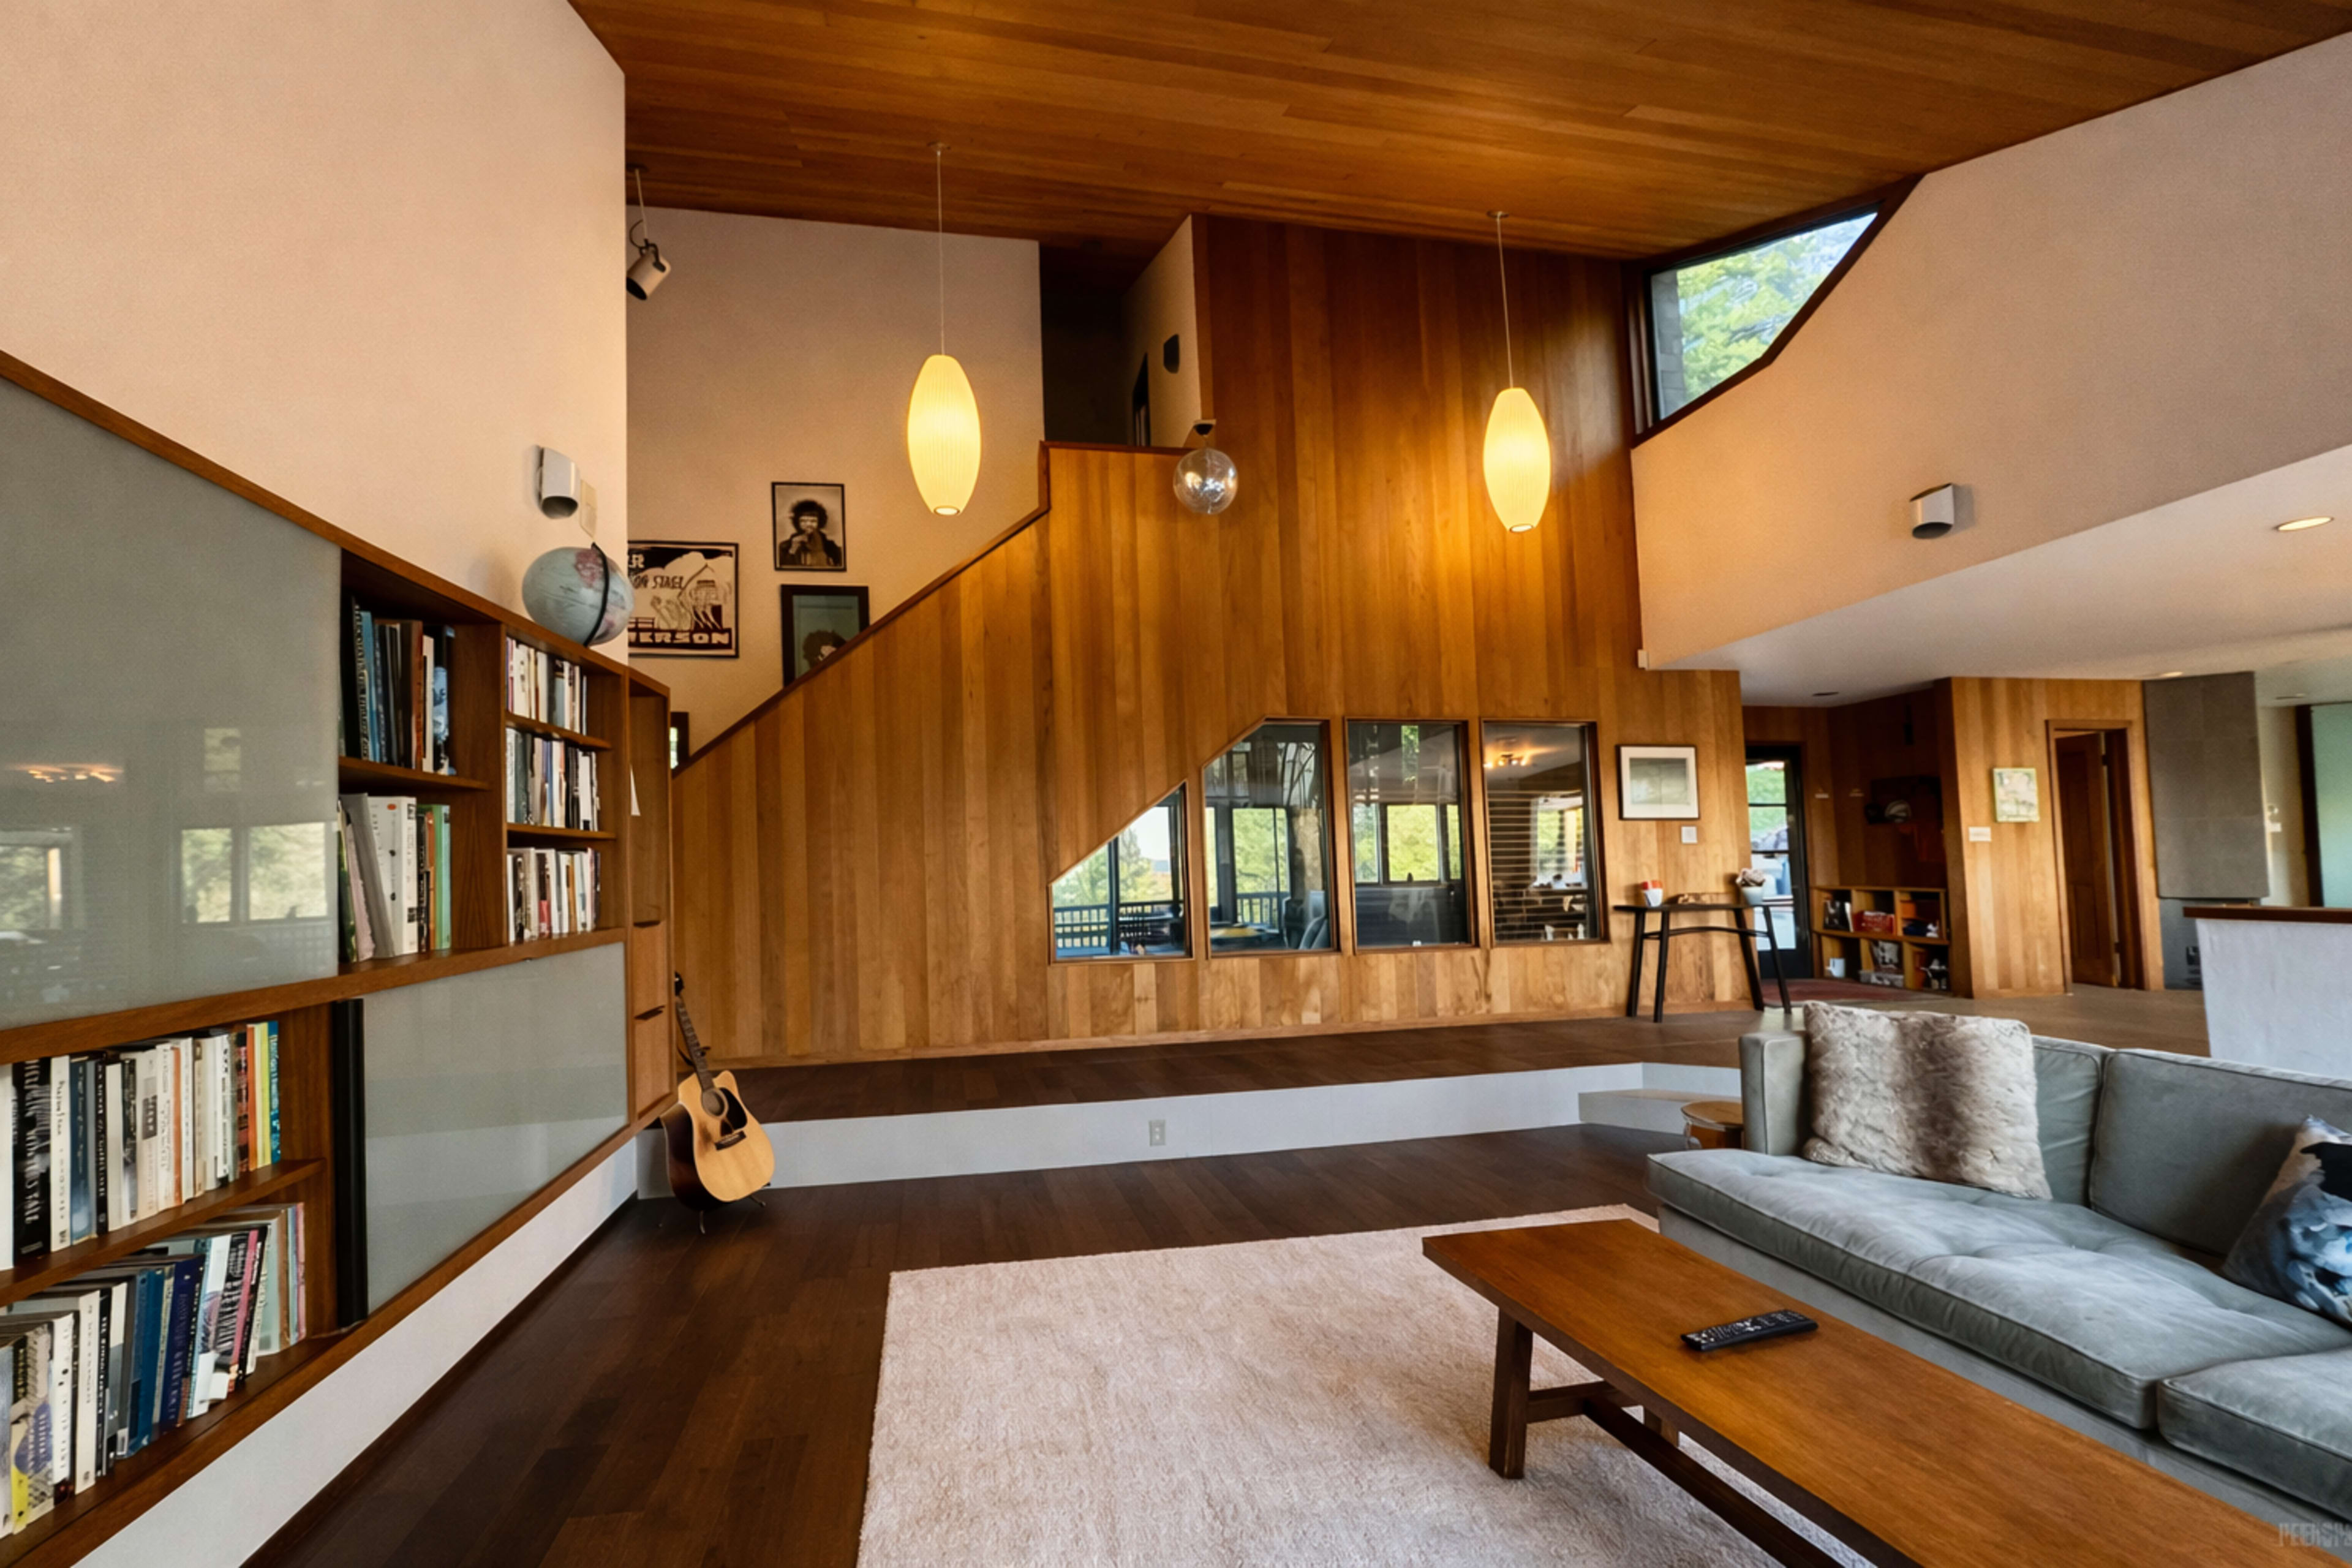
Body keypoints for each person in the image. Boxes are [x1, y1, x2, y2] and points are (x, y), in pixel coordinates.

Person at [778, 497, 843, 568]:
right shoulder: (785, 546)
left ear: (820, 523)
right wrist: (793, 550)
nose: (808, 524)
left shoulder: (830, 546)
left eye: (813, 521)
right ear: (797, 523)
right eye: (803, 521)